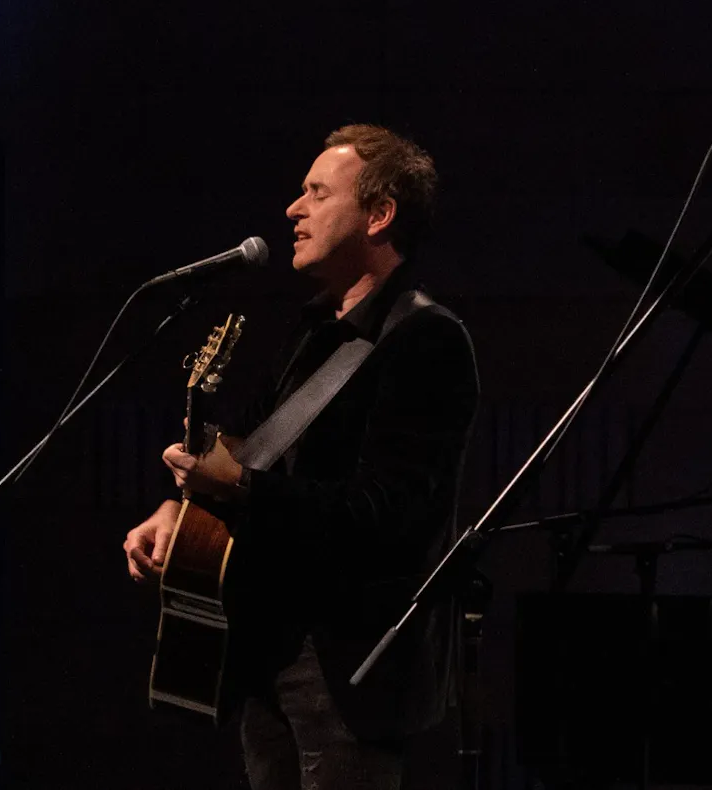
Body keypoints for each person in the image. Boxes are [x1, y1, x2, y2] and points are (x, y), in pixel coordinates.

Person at [123, 124, 479, 790]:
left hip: (348, 671)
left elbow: (390, 512)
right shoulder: (315, 328)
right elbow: (247, 447)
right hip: (271, 652)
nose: (293, 209)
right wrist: (180, 504)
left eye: (317, 192)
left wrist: (243, 491)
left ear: (378, 215)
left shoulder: (426, 341)